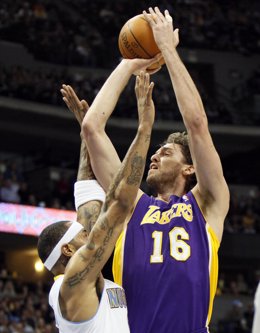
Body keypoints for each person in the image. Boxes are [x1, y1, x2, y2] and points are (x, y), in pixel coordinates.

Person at [62, 7, 229, 333]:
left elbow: (196, 125)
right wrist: (129, 64)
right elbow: (92, 129)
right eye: (155, 151)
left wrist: (167, 48)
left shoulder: (207, 204)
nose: (153, 157)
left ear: (189, 168)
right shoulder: (130, 206)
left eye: (165, 153)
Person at [37, 70, 155, 333]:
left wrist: (86, 136)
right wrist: (144, 129)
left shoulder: (87, 275)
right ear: (68, 250)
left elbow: (88, 192)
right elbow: (118, 203)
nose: (88, 232)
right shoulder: (71, 286)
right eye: (82, 234)